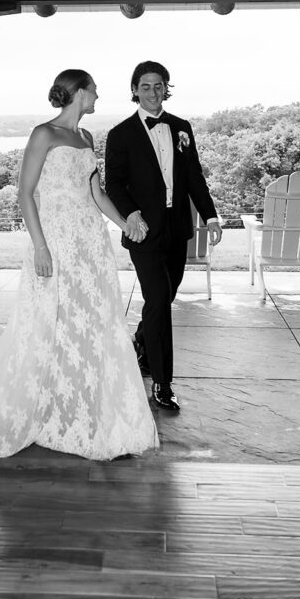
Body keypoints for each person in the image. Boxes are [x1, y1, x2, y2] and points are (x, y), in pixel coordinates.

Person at [0, 69, 159, 460]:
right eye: (94, 90)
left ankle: (80, 411)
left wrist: (124, 222)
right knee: (47, 321)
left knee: (90, 322)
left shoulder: (86, 137)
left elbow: (96, 193)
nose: (98, 96)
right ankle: (35, 407)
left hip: (90, 243)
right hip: (55, 241)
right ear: (80, 93)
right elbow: (25, 194)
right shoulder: (44, 134)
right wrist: (40, 246)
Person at [105, 61, 222, 412]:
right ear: (135, 90)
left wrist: (212, 216)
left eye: (159, 86)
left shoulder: (182, 128)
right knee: (159, 303)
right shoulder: (120, 134)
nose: (153, 92)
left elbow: (195, 179)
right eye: (146, 86)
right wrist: (132, 214)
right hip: (142, 234)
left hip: (176, 232)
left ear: (166, 88)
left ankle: (142, 342)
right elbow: (114, 184)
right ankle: (162, 382)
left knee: (162, 301)